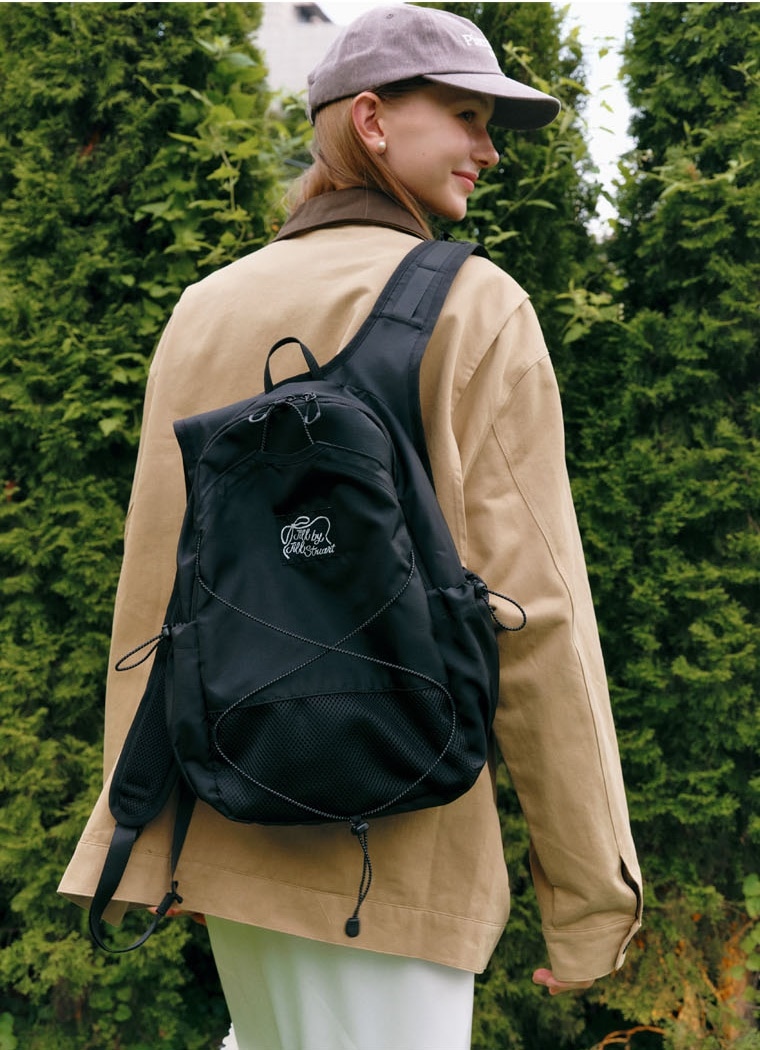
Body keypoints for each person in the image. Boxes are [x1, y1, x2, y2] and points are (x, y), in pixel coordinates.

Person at [60, 6, 642, 1049]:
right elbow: (538, 618)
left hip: (231, 822)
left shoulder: (204, 307)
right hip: (397, 854)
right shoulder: (475, 307)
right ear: (371, 120)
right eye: (465, 116)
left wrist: (146, 833)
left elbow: (156, 595)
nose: (488, 150)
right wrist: (593, 897)